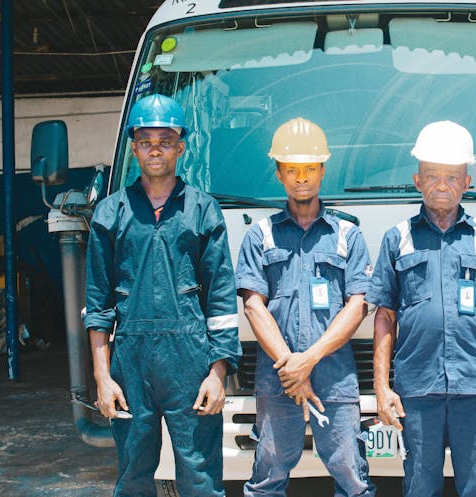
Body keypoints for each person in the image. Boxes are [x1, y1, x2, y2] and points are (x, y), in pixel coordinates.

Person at [84, 94, 241, 497]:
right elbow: (98, 305)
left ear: (181, 147)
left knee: (200, 475)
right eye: (146, 141)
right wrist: (103, 377)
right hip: (130, 364)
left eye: (165, 140)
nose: (156, 149)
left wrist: (218, 372)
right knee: (134, 473)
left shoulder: (203, 210)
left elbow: (221, 300)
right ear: (134, 146)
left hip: (190, 361)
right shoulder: (110, 214)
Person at [367, 121, 476, 497]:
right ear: (417, 180)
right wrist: (381, 386)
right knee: (421, 486)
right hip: (418, 388)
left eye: (452, 177)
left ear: (467, 182)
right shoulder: (398, 239)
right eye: (432, 175)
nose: (442, 184)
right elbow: (385, 316)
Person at [235, 117, 376, 497]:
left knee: (352, 477)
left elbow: (357, 306)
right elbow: (253, 306)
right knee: (267, 477)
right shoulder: (260, 235)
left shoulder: (348, 235)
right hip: (277, 378)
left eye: (310, 169)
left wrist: (308, 360)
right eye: (293, 169)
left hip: (335, 377)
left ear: (323, 171)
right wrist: (289, 366)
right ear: (279, 173)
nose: (302, 178)